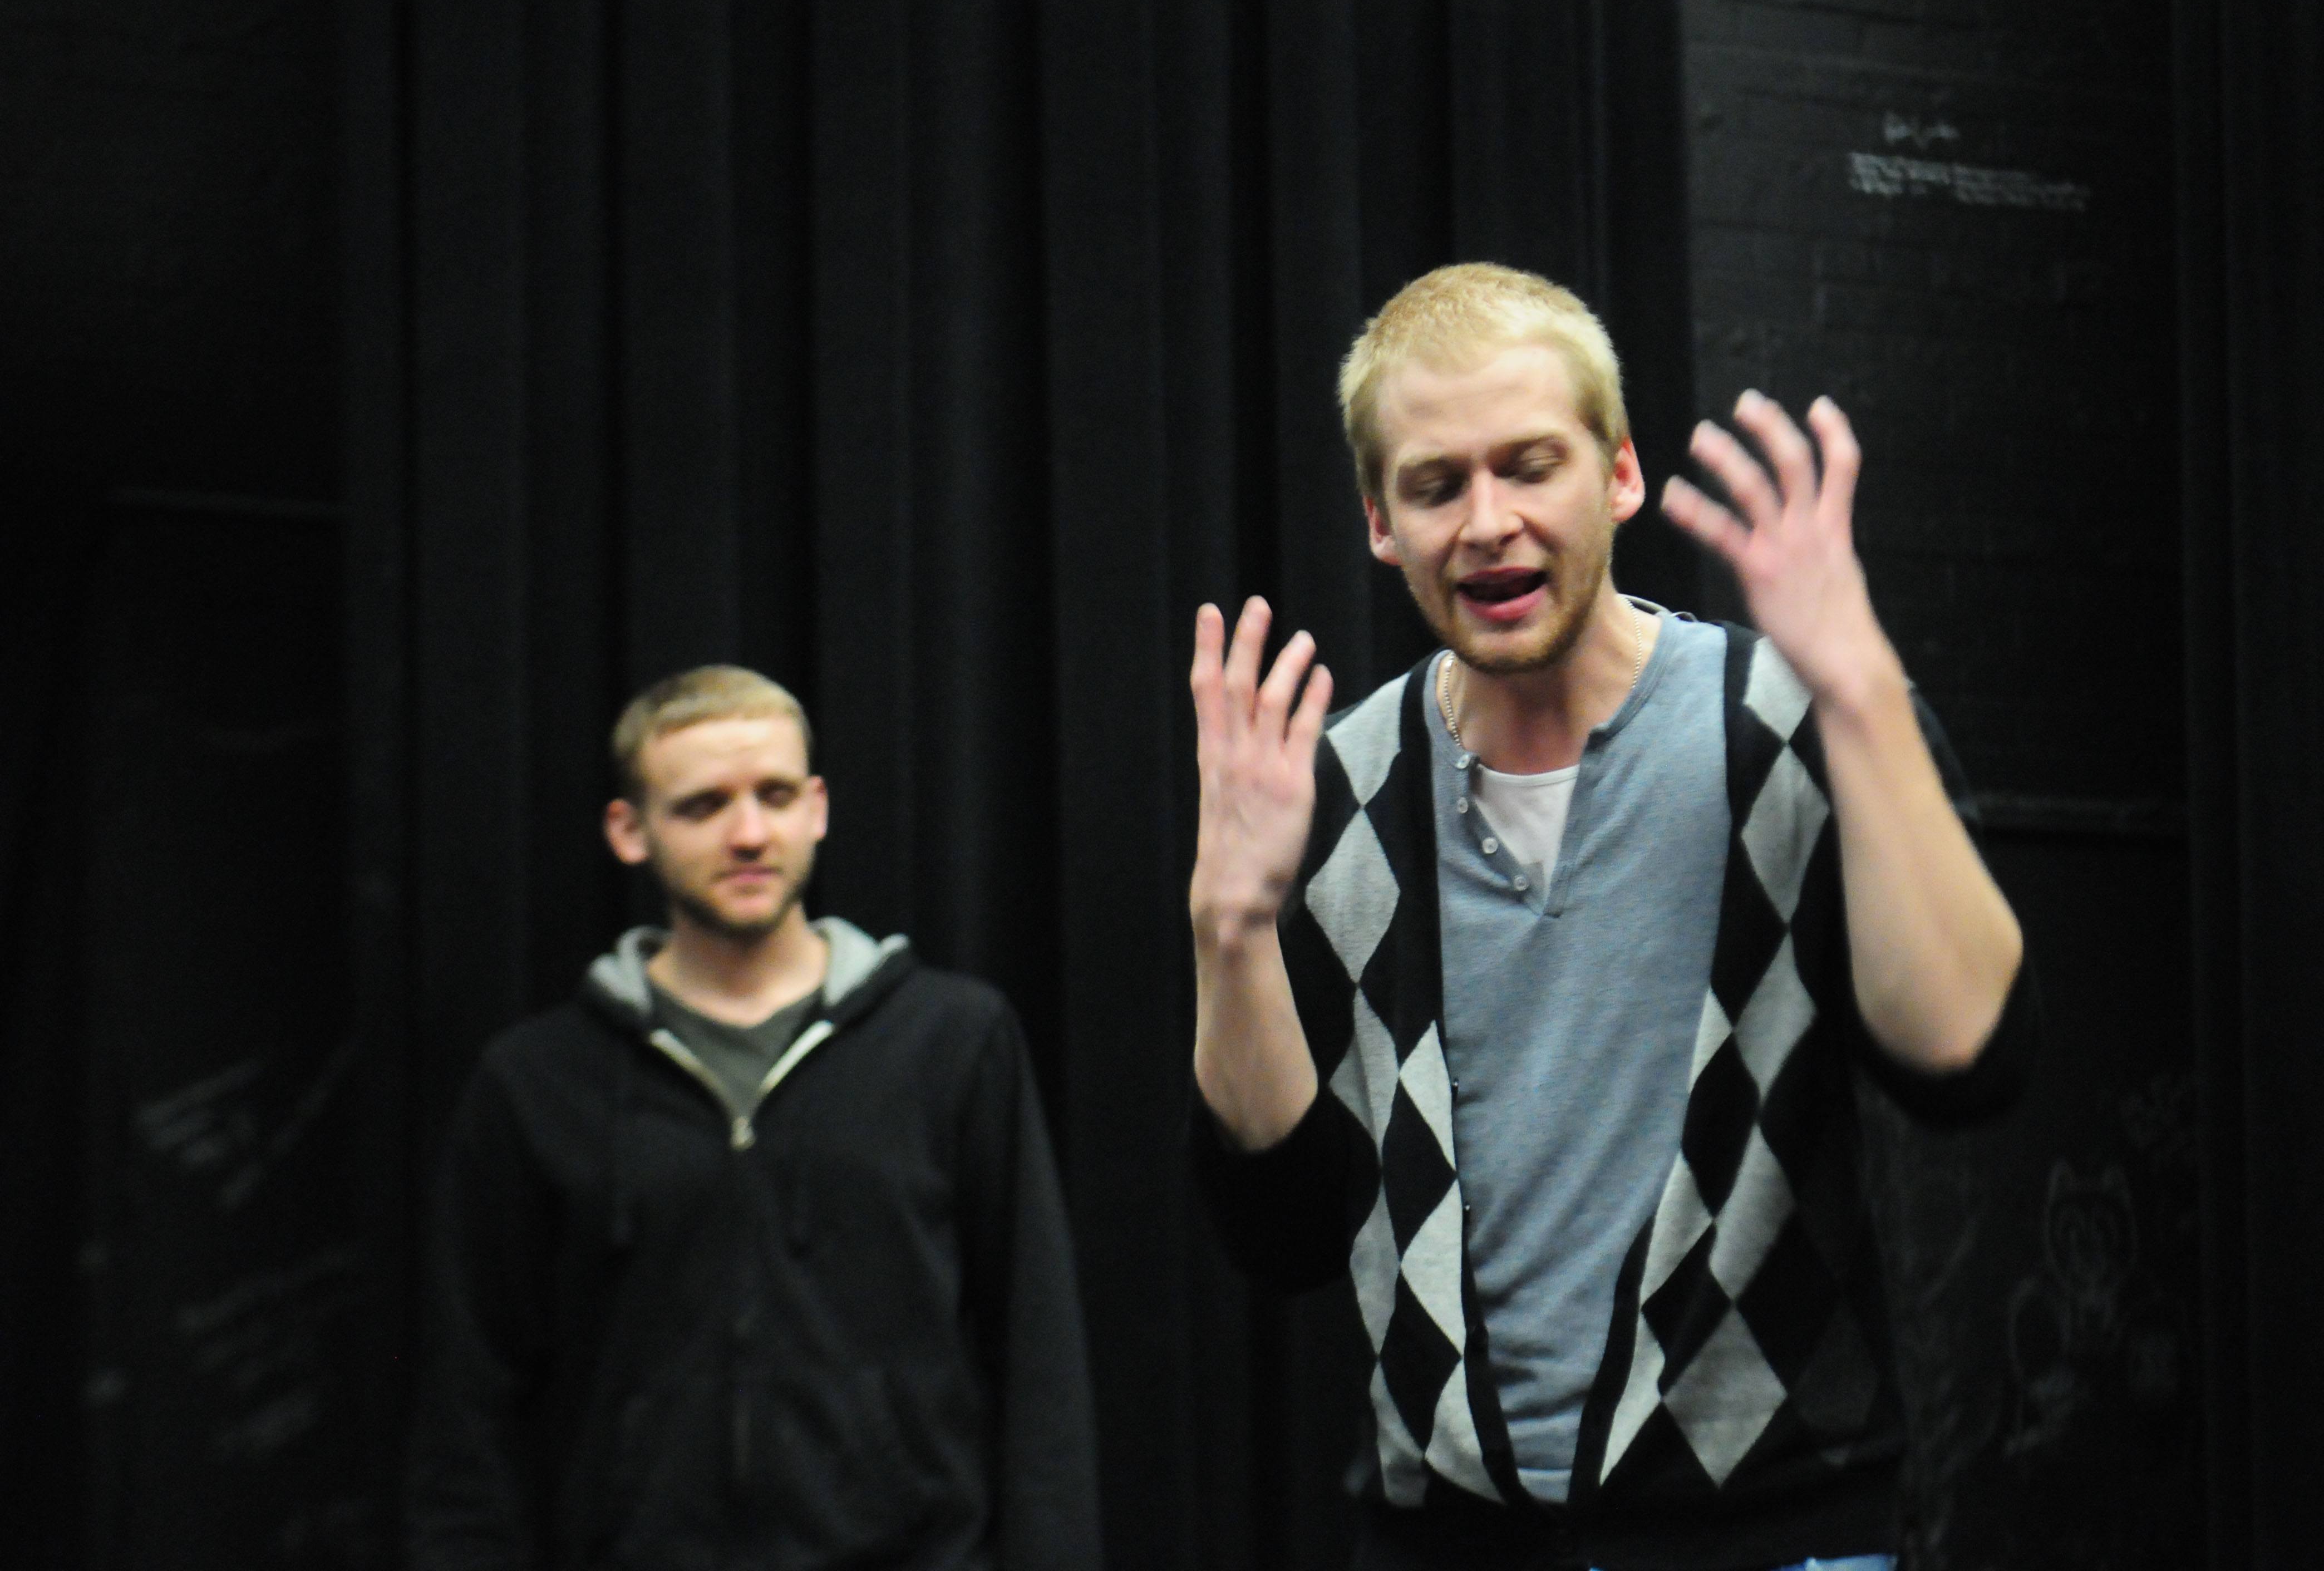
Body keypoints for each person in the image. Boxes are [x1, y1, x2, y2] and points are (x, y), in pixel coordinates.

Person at [1185, 263, 2034, 1570]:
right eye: (1435, 483)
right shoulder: (1338, 786)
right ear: (1377, 521)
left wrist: (1859, 691)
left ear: (1619, 474)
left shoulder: (1789, 725)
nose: (1487, 520)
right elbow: (1285, 1228)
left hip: (1773, 1532)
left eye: (1529, 464)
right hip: (1438, 1537)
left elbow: (1971, 1060)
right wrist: (1228, 929)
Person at [407, 666, 1100, 1570]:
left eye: (773, 795)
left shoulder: (953, 1041)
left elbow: (1038, 1359)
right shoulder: (537, 1082)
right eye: (702, 806)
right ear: (630, 830)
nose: (748, 834)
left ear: (816, 807)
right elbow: (470, 1404)